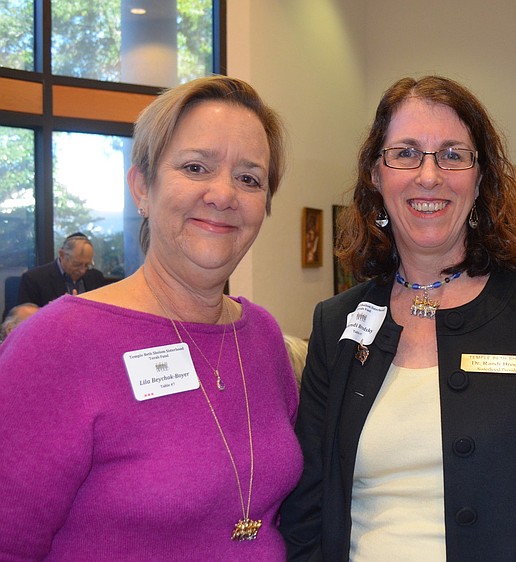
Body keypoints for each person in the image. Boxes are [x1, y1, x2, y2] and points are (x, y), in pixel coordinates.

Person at [281, 75, 516, 561]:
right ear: (375, 173)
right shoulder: (337, 321)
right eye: (405, 153)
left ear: (481, 176)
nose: (429, 176)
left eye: (452, 154)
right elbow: (308, 504)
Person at [0, 76, 302, 560]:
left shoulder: (262, 336)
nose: (223, 194)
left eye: (249, 178)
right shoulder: (54, 344)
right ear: (142, 187)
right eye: (196, 167)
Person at [16, 232, 109, 306]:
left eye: (87, 265)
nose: (82, 270)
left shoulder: (96, 277)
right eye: (77, 264)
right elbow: (23, 319)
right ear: (62, 254)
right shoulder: (34, 279)